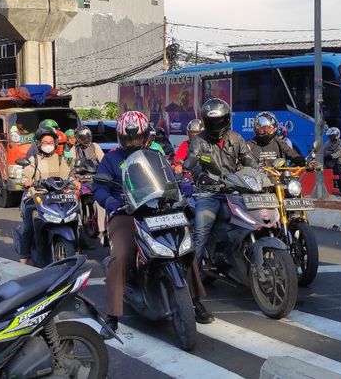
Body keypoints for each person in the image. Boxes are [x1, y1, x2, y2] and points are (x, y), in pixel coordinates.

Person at [93, 111, 213, 338]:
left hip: (162, 209)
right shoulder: (111, 159)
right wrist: (108, 200)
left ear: (145, 136)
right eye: (127, 138)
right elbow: (99, 186)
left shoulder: (156, 154)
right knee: (121, 255)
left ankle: (195, 300)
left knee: (186, 248)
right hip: (126, 213)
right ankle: (112, 315)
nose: (132, 142)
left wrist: (184, 186)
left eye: (136, 138)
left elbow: (174, 178)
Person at [184, 98, 259, 260]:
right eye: (211, 122)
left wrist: (261, 175)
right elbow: (192, 161)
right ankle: (192, 278)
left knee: (255, 220)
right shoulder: (199, 141)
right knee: (201, 232)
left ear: (226, 120)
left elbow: (250, 160)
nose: (216, 125)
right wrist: (202, 177)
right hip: (209, 193)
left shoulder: (236, 138)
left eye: (219, 121)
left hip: (234, 190)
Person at [17, 127, 72, 264]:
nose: (48, 145)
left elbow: (68, 175)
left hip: (56, 197)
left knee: (71, 219)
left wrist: (73, 182)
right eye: (45, 142)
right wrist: (26, 180)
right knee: (29, 227)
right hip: (36, 198)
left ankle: (75, 250)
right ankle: (23, 259)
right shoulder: (33, 160)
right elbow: (26, 174)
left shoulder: (60, 160)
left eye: (51, 142)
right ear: (39, 144)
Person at [324, 127, 341, 195]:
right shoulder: (328, 143)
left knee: (338, 176)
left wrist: (331, 156)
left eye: (332, 136)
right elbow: (323, 149)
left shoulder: (340, 143)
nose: (330, 137)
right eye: (329, 136)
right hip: (328, 162)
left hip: (337, 162)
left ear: (336, 135)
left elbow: (340, 153)